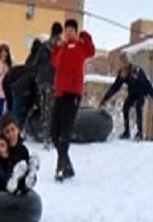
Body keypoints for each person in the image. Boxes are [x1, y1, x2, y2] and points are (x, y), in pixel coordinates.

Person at [49, 18, 95, 181]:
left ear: (75, 32)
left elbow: (91, 50)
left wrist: (83, 36)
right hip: (60, 93)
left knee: (65, 132)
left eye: (71, 30)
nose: (68, 33)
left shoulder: (81, 46)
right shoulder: (61, 48)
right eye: (66, 30)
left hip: (73, 93)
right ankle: (67, 165)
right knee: (54, 131)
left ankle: (60, 167)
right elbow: (54, 62)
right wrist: (57, 46)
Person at [101, 52, 153, 141]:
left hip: (140, 93)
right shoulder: (121, 73)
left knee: (138, 107)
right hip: (132, 94)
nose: (119, 65)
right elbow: (115, 87)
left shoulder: (136, 70)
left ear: (125, 63)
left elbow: (147, 84)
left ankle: (139, 133)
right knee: (125, 107)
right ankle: (126, 132)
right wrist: (105, 99)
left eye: (121, 63)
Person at [2, 39, 42, 130]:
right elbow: (35, 85)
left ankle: (9, 131)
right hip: (23, 91)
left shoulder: (29, 60)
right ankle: (14, 134)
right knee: (18, 118)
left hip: (14, 88)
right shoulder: (38, 63)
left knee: (13, 114)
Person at [0, 112, 39, 194]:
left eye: (13, 130)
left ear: (18, 130)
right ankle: (14, 180)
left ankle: (30, 174)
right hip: (4, 181)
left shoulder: (23, 150)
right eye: (7, 132)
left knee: (25, 170)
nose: (11, 134)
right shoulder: (0, 146)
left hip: (19, 182)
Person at [0, 43, 12, 128]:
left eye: (6, 52)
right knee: (0, 108)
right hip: (0, 86)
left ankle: (7, 124)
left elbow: (13, 70)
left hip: (8, 86)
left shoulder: (11, 61)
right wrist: (3, 67)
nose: (4, 54)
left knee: (8, 108)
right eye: (2, 52)